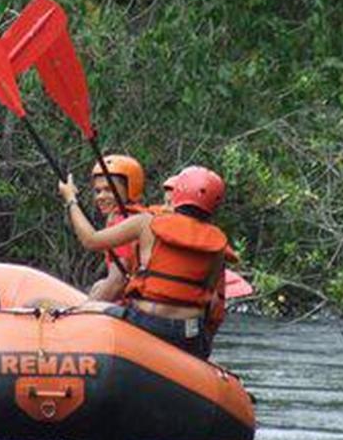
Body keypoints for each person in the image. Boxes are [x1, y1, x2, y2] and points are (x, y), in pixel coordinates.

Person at [58, 165, 231, 360]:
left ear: (178, 193)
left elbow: (90, 240)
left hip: (148, 324)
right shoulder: (218, 247)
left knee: (89, 308)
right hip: (188, 335)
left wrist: (70, 199)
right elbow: (213, 304)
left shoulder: (146, 224)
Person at [87, 154, 146, 301]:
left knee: (36, 303)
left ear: (130, 189)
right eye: (98, 191)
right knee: (98, 285)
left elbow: (117, 282)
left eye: (109, 190)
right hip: (137, 306)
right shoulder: (140, 216)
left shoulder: (123, 222)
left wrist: (83, 311)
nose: (101, 197)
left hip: (130, 310)